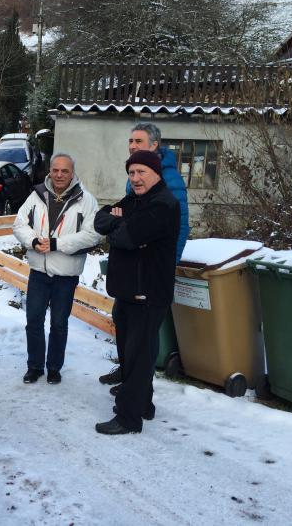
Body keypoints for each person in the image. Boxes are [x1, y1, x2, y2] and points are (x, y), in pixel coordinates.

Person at [93, 150, 180, 435]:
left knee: (138, 356)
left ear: (156, 173)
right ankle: (143, 404)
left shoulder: (163, 205)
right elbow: (99, 220)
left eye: (142, 172)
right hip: (128, 292)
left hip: (148, 293)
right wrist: (119, 222)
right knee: (132, 355)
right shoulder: (135, 200)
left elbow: (127, 238)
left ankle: (128, 418)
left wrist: (119, 226)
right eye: (132, 173)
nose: (136, 178)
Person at [99, 122, 190, 389]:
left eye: (138, 141)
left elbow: (179, 224)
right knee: (125, 324)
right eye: (130, 141)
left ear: (154, 146)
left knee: (143, 337)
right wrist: (117, 225)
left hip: (150, 273)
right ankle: (129, 374)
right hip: (132, 268)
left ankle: (136, 384)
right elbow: (118, 217)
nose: (132, 146)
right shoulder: (138, 175)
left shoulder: (168, 181)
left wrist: (166, 265)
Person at [13, 153, 100, 384]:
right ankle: (34, 366)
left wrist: (56, 244)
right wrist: (32, 240)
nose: (59, 175)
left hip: (65, 274)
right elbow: (19, 224)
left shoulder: (86, 200)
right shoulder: (36, 195)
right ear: (49, 170)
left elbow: (92, 235)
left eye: (65, 171)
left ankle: (54, 368)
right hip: (39, 271)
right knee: (33, 321)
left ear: (73, 173)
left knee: (59, 324)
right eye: (56, 170)